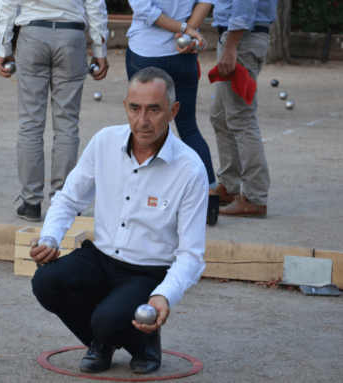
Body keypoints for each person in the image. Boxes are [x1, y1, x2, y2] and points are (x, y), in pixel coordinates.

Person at [30, 67, 208, 374]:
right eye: (135, 109)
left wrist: (163, 295)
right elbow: (69, 198)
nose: (143, 121)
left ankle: (139, 341)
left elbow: (192, 254)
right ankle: (108, 340)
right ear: (125, 106)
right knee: (46, 282)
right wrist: (50, 238)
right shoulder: (104, 142)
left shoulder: (190, 169)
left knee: (106, 318)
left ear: (173, 111)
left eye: (154, 110)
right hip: (100, 258)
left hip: (147, 272)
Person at [0, 0, 109, 222]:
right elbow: (95, 4)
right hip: (71, 35)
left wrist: (4, 46)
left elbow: (7, 3)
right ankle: (63, 201)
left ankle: (31, 202)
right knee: (67, 125)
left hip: (32, 33)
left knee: (30, 124)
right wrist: (99, 48)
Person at [125, 1, 217, 193]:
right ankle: (209, 198)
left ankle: (141, 194)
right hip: (183, 51)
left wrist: (184, 29)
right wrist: (186, 32)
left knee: (142, 128)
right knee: (189, 128)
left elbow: (143, 8)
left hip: (145, 50)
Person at [209, 0, 278, 218]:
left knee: (242, 119)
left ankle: (255, 198)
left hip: (242, 40)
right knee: (219, 116)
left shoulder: (236, 41)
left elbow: (245, 5)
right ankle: (229, 188)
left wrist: (231, 46)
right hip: (241, 38)